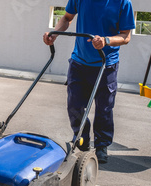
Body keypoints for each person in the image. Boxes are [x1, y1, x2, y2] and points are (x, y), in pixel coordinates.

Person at [43, 0, 135, 164]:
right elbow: (66, 18)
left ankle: (101, 146)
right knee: (74, 105)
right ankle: (82, 138)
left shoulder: (123, 3)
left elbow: (126, 36)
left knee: (104, 108)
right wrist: (54, 33)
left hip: (106, 64)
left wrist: (106, 40)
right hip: (79, 62)